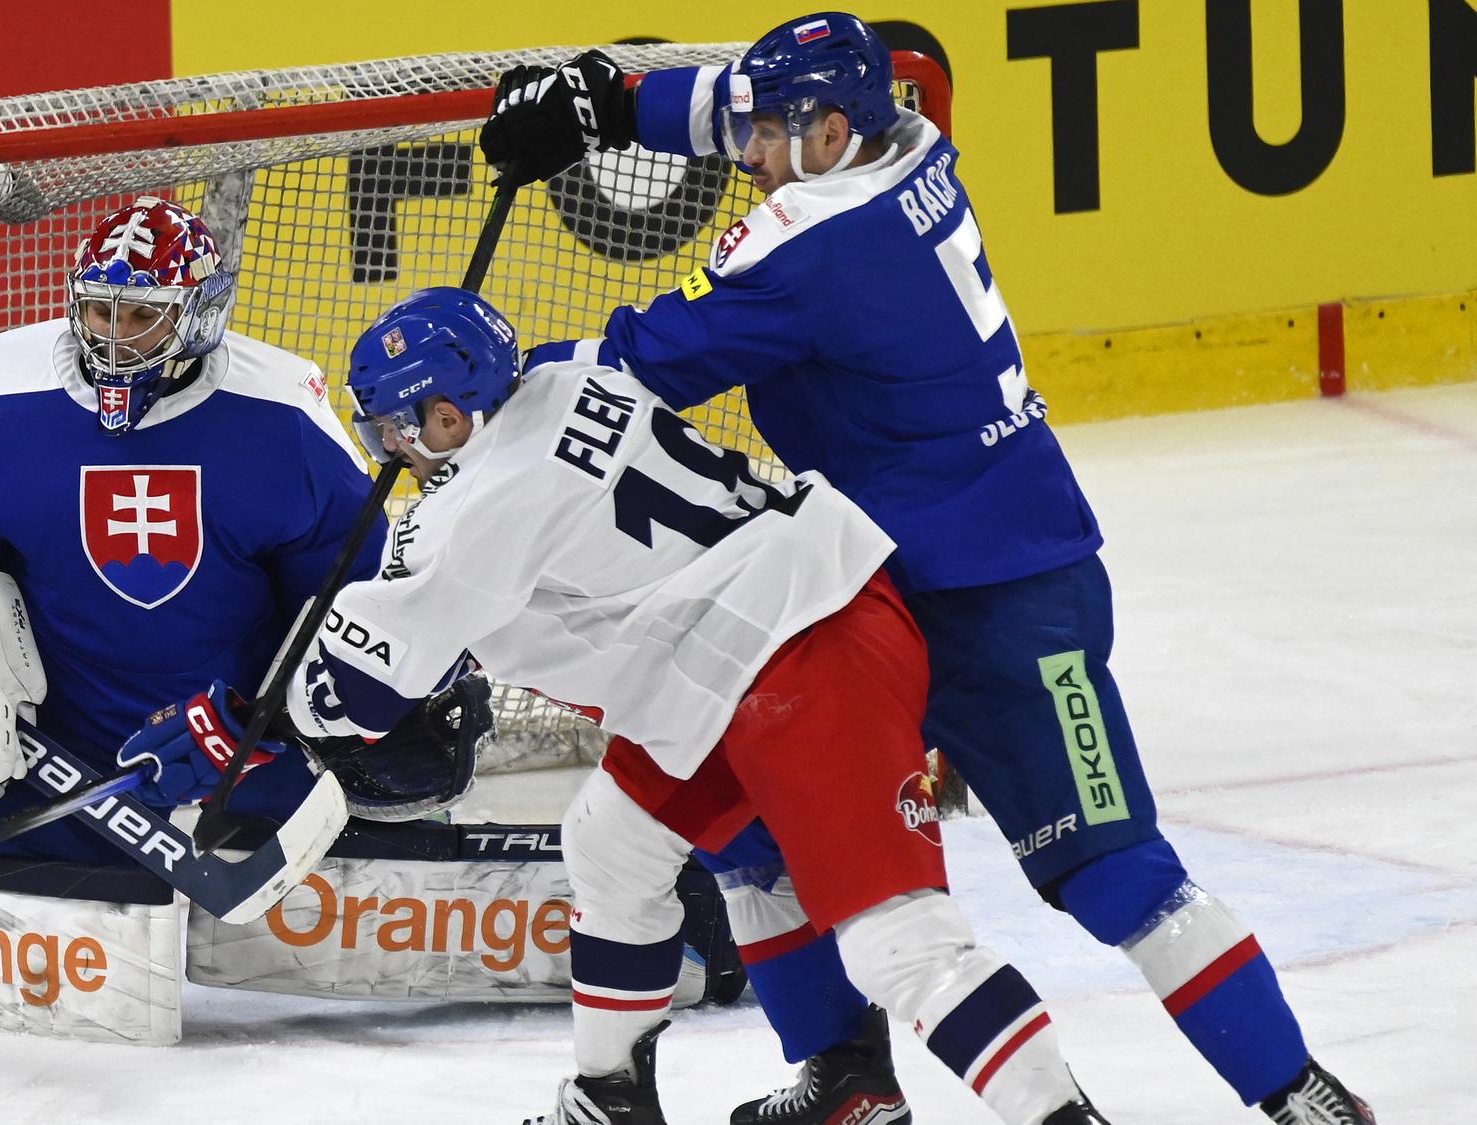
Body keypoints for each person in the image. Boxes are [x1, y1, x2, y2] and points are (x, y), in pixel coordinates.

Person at [477, 15, 1374, 1124]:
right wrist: (611, 108)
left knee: (1114, 875)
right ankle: (848, 1084)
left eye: (769, 132)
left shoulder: (813, 250)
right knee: (749, 836)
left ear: (830, 128)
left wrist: (486, 385)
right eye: (752, 127)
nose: (745, 154)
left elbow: (642, 366)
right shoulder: (901, 143)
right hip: (859, 596)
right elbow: (739, 104)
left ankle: (1302, 1098)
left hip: (1005, 604)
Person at [286, 287, 1113, 1125]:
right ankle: (654, 1097)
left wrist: (289, 689)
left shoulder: (471, 518)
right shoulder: (567, 370)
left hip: (802, 657)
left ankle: (1060, 1116)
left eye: (398, 427)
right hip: (746, 644)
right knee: (613, 843)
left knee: (897, 940)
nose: (393, 450)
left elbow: (363, 699)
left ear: (451, 417)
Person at [0, 194, 397, 853]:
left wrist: (268, 726)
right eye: (100, 309)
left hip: (236, 750)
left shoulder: (284, 415)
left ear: (197, 315)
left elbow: (353, 600)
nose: (114, 335)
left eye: (144, 314)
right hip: (49, 755)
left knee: (333, 925)